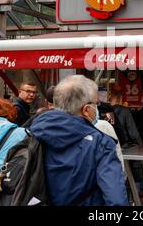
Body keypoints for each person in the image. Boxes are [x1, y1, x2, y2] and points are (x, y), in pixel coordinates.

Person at [30, 75, 128, 206]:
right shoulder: (101, 143)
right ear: (86, 110)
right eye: (96, 103)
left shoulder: (32, 133)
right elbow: (116, 199)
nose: (97, 107)